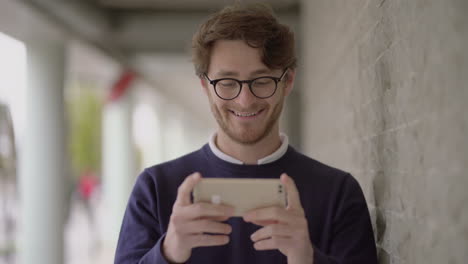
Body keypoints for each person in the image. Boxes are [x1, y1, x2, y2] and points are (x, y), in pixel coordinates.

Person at [115, 3, 377, 264]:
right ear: (205, 86)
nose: (245, 100)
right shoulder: (155, 188)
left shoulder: (338, 193)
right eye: (227, 83)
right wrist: (168, 253)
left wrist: (307, 259)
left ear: (288, 82)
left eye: (262, 81)